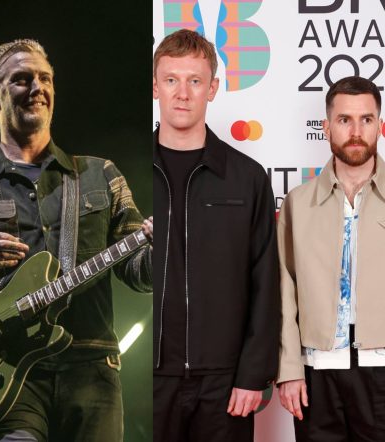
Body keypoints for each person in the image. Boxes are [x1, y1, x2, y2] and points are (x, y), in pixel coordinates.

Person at [0, 39, 153, 442]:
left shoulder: (101, 174)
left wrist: (162, 244)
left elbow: (139, 273)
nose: (37, 88)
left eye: (45, 78)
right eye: (22, 79)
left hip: (91, 368)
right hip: (3, 374)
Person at [151, 29, 280, 441]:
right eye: (171, 79)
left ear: (213, 89)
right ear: (155, 87)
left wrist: (253, 374)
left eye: (195, 81)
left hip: (225, 384)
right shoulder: (123, 177)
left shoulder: (247, 178)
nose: (182, 93)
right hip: (148, 380)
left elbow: (266, 283)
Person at [277, 76, 385, 441]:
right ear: (326, 127)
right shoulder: (298, 202)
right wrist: (289, 369)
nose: (356, 131)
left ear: (379, 126)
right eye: (344, 120)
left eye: (366, 119)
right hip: (315, 375)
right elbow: (283, 289)